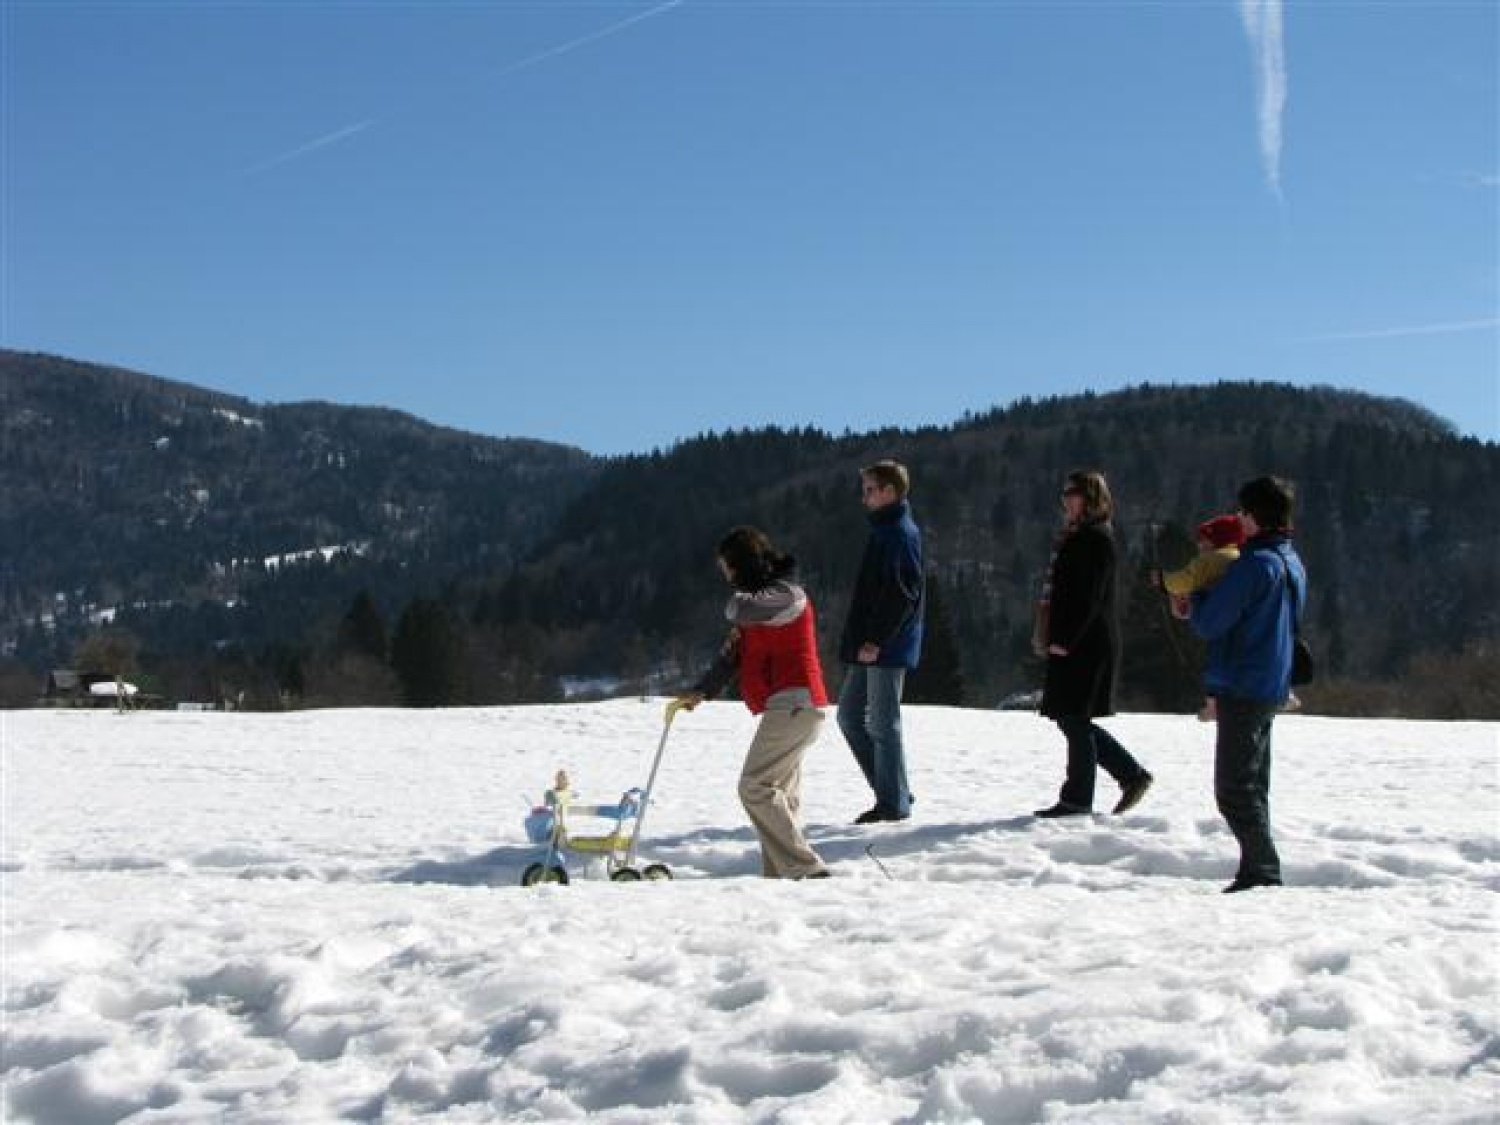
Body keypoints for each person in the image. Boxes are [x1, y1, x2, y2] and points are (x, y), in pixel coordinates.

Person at [677, 526, 831, 880]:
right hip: (790, 707)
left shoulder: (787, 595)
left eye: (728, 568)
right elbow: (733, 655)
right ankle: (778, 879)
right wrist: (702, 690)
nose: (726, 577)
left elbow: (739, 611)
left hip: (797, 703)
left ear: (742, 564)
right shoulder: (759, 607)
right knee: (781, 798)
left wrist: (739, 603)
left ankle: (807, 870)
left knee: (755, 786)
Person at [1187, 476, 1306, 893]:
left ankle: (1262, 871)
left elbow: (1208, 623)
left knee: (1234, 789)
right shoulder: (1290, 561)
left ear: (1256, 516)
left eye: (1242, 512)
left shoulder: (1254, 566)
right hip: (1272, 682)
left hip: (1243, 682)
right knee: (1255, 785)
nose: (1238, 518)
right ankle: (1256, 869)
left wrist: (1198, 591)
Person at [1034, 470, 1154, 818]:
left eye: (1073, 494)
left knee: (1073, 718)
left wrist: (1064, 639)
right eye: (1065, 493)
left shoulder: (1094, 540)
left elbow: (1088, 597)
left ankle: (1078, 798)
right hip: (1078, 640)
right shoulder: (1079, 537)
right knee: (1070, 717)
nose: (1066, 500)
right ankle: (1130, 775)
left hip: (1086, 643)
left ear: (1090, 499)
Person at [836, 460, 924, 824]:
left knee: (883, 722)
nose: (865, 497)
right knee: (849, 716)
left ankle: (893, 803)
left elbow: (903, 594)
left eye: (871, 490)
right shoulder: (884, 530)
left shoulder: (900, 533)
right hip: (870, 644)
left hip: (886, 644)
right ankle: (895, 789)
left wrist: (875, 638)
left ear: (890, 492)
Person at [1161, 513, 1246, 722]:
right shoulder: (1242, 557)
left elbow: (1184, 580)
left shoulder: (1214, 559)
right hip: (1237, 623)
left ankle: (1214, 704)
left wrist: (1164, 582)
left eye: (1205, 539)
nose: (1200, 545)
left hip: (1218, 623)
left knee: (1218, 664)